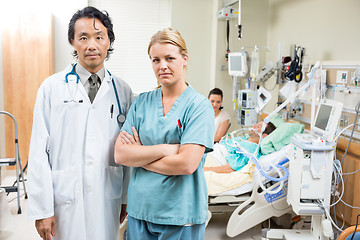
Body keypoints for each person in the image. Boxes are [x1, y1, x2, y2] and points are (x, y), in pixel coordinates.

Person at [27, 6, 133, 240]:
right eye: (83, 37)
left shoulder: (122, 91)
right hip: (64, 199)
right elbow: (37, 151)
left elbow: (128, 151)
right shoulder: (51, 88)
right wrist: (42, 208)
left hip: (108, 197)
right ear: (73, 42)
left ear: (108, 41)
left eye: (99, 37)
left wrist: (126, 198)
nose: (91, 45)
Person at [114, 27, 215, 240]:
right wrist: (166, 149)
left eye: (170, 58)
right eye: (156, 60)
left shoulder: (198, 106)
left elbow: (187, 164)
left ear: (184, 59)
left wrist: (140, 156)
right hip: (140, 211)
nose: (163, 66)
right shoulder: (141, 102)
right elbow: (121, 155)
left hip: (180, 214)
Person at [204, 122, 276, 173]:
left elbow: (232, 168)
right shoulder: (243, 138)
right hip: (208, 152)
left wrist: (207, 169)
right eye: (256, 124)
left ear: (264, 136)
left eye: (258, 127)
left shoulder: (251, 149)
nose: (253, 126)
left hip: (214, 159)